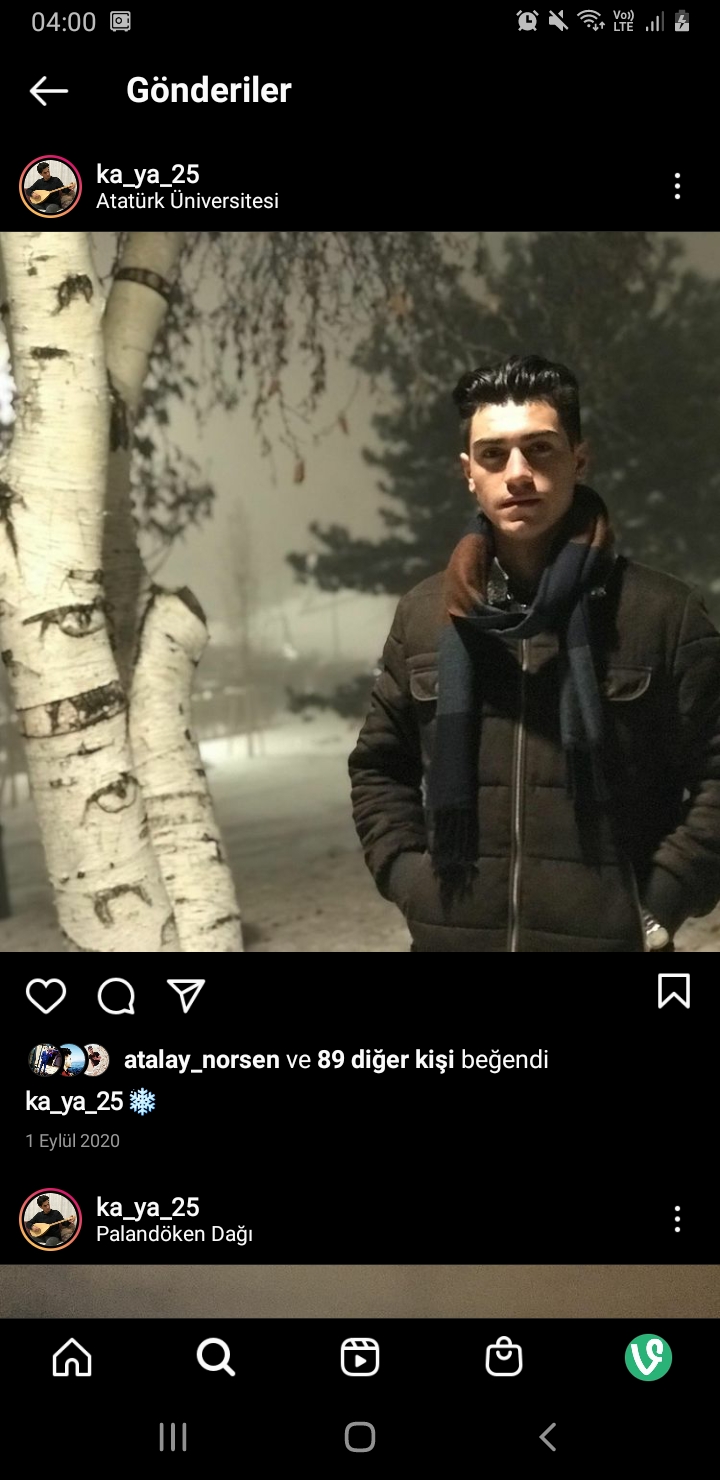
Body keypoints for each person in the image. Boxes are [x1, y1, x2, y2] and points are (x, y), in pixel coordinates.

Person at [349, 355, 720, 952]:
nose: (517, 473)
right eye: (493, 454)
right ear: (469, 472)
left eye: (539, 449)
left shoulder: (662, 613)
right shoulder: (425, 614)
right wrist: (408, 878)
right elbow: (378, 767)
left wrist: (661, 899)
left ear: (579, 459)